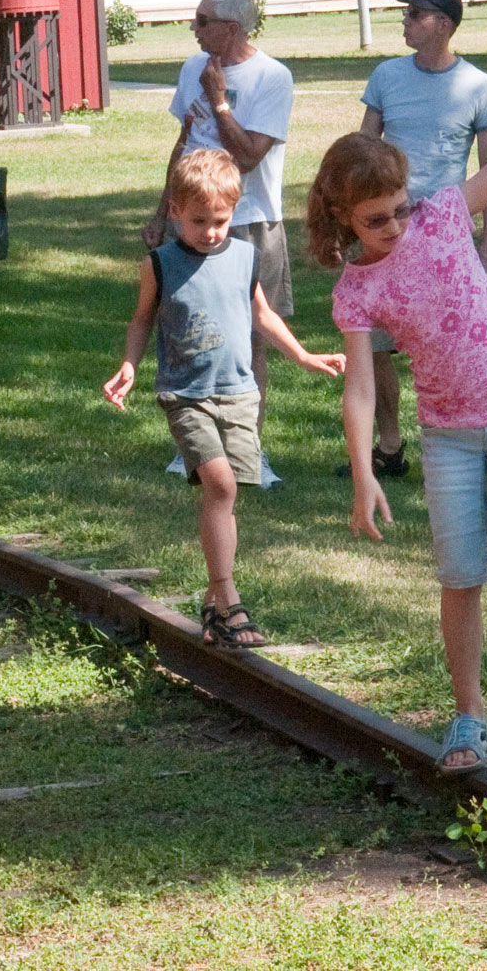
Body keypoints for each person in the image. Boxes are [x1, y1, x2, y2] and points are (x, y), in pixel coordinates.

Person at [307, 7, 487, 775]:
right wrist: (360, 476)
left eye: (400, 208)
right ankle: (468, 717)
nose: (395, 227)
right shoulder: (355, 292)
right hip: (447, 430)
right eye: (376, 219)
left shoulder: (443, 216)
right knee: (459, 576)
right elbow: (357, 393)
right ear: (342, 217)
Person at [107, 149, 345, 647]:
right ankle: (229, 598)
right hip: (186, 394)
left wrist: (302, 356)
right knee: (220, 488)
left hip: (240, 393)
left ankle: (215, 609)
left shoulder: (244, 257)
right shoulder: (160, 263)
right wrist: (130, 365)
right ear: (174, 210)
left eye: (220, 220)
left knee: (229, 495)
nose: (211, 232)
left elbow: (263, 315)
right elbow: (141, 319)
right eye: (198, 221)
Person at [340, 0, 487, 484]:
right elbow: (361, 151)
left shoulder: (477, 87)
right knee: (375, 345)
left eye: (415, 14)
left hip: (446, 239)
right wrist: (349, 221)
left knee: (447, 341)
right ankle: (389, 448)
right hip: (384, 230)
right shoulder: (387, 75)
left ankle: (465, 438)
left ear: (444, 25)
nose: (405, 22)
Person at [149, 0, 298, 480]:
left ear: (232, 28)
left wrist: (220, 102)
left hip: (248, 221)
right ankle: (192, 445)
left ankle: (249, 447)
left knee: (249, 337)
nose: (194, 26)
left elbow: (251, 156)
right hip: (188, 221)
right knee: (183, 330)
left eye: (202, 19)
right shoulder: (193, 67)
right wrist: (161, 212)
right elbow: (183, 141)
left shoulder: (271, 77)